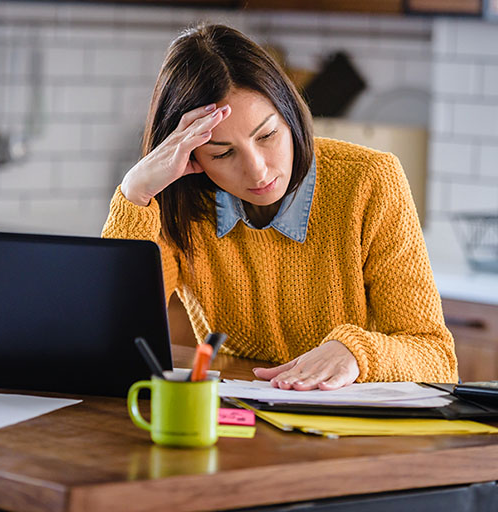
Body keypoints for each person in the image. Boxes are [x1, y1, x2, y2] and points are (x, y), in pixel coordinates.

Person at [102, 23, 458, 390]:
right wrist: (135, 193)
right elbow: (109, 333)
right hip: (240, 425)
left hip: (349, 437)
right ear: (193, 156)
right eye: (222, 153)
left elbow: (437, 359)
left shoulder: (369, 180)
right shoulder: (178, 200)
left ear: (290, 115)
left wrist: (357, 353)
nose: (257, 169)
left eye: (267, 135)